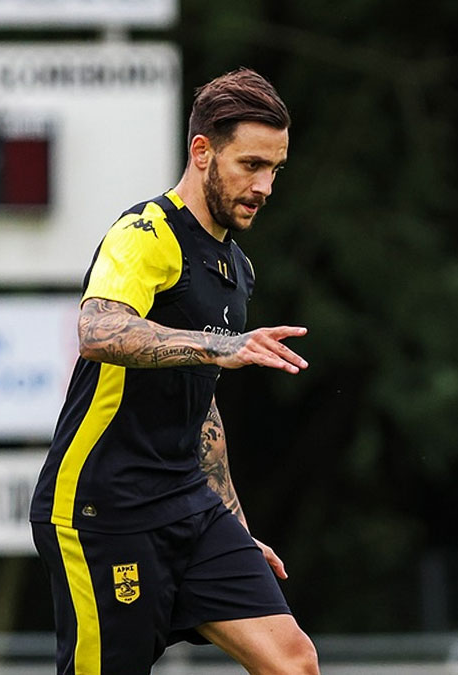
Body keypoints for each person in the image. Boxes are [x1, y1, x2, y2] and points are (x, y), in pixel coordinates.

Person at [29, 68, 320, 674]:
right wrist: (219, 347)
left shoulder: (236, 268)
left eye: (275, 169)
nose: (264, 186)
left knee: (293, 661)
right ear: (202, 150)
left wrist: (234, 527)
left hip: (188, 504)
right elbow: (97, 330)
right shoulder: (145, 234)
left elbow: (200, 407)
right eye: (251, 165)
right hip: (105, 507)